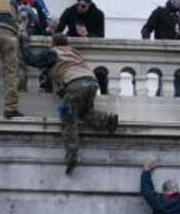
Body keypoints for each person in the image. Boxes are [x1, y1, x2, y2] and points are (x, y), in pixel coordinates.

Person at [21, 33, 119, 173]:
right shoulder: (74, 53)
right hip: (91, 83)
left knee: (68, 119)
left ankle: (71, 155)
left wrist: (23, 47)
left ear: (54, 43)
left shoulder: (53, 53)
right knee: (84, 111)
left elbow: (33, 61)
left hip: (75, 85)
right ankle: (107, 120)